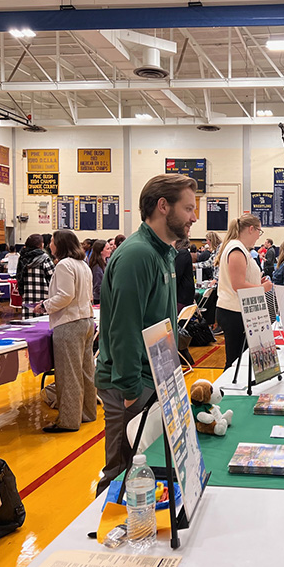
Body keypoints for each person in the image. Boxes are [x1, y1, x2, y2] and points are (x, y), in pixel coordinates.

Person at [95, 173, 198, 494]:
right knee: (124, 473)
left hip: (155, 377)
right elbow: (123, 328)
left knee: (147, 470)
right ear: (163, 206)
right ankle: (107, 535)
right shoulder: (138, 255)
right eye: (189, 208)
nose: (194, 217)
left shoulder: (162, 252)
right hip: (131, 382)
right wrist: (128, 391)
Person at [34, 230, 96, 432]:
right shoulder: (83, 264)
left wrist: (44, 305)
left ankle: (68, 421)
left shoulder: (63, 265)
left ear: (59, 244)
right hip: (86, 321)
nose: (49, 244)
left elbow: (65, 296)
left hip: (70, 324)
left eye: (51, 241)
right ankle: (87, 412)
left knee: (69, 374)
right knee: (86, 371)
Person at [215, 214, 273, 370]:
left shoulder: (241, 249)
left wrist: (256, 283)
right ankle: (228, 392)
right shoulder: (236, 249)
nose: (258, 237)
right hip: (234, 312)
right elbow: (238, 285)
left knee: (243, 361)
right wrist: (263, 289)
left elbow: (242, 280)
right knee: (235, 362)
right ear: (251, 229)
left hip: (239, 310)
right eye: (259, 232)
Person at [16, 234, 55, 318]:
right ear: (41, 244)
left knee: (28, 323)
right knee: (42, 323)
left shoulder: (22, 257)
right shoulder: (44, 258)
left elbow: (19, 277)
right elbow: (53, 277)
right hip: (43, 294)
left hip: (27, 294)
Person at [175, 238, 195, 309]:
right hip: (185, 294)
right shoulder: (185, 253)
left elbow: (177, 274)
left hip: (182, 295)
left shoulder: (182, 254)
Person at [88, 239, 109, 305]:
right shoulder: (97, 267)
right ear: (101, 251)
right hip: (100, 299)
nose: (110, 251)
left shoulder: (107, 262)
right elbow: (98, 287)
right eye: (108, 249)